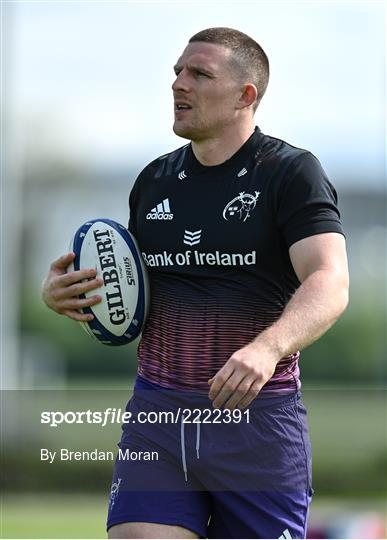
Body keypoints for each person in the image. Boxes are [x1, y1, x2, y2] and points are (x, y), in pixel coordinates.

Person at [42, 27, 349, 539]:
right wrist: (69, 294)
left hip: (256, 421)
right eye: (177, 73)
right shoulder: (154, 181)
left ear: (245, 96)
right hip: (157, 413)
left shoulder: (290, 173)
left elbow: (329, 279)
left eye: (199, 74)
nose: (179, 84)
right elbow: (132, 293)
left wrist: (267, 347)